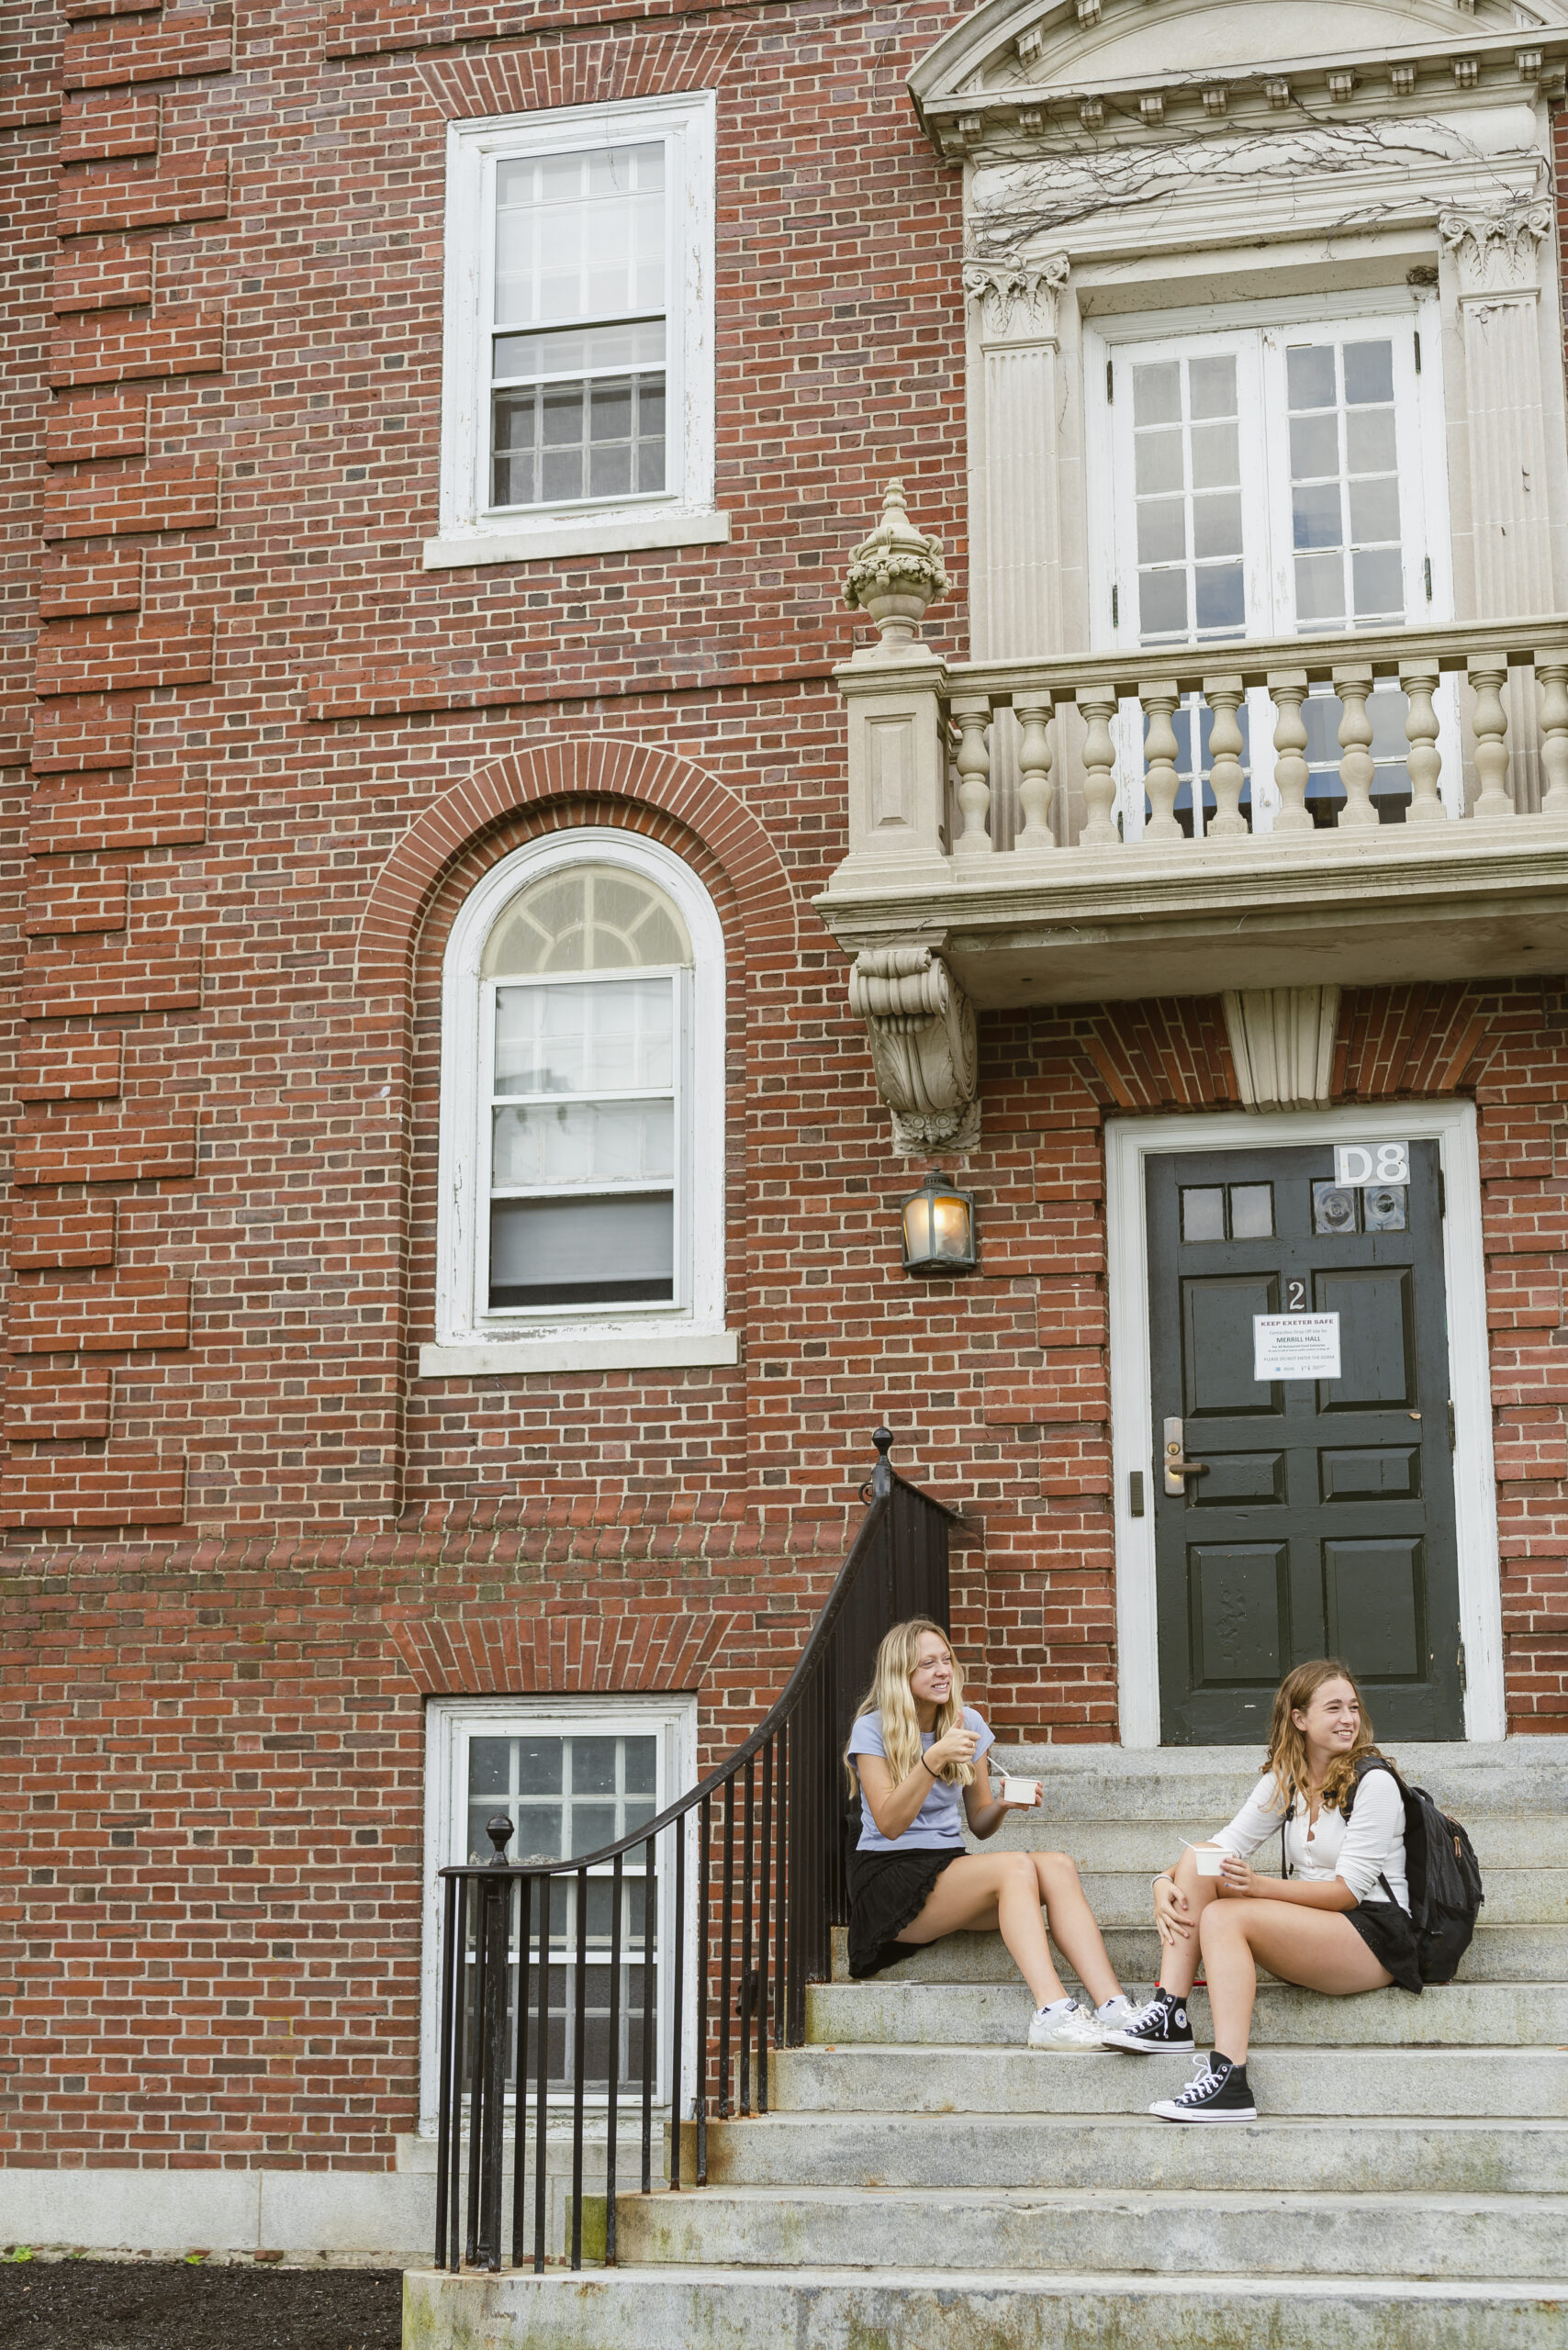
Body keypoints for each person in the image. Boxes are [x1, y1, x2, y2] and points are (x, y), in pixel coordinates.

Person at [1102, 1658, 1421, 2121]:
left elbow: (1347, 1893)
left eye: (1352, 1707)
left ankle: (1230, 2080)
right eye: (1333, 1708)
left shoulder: (1374, 1784)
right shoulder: (1287, 1779)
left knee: (1226, 1916)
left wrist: (1258, 1889)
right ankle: (1170, 2012)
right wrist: (1163, 1882)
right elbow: (1219, 1847)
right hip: (1314, 1932)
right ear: (1300, 1718)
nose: (1349, 1719)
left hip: (1374, 1937)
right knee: (1200, 1857)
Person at [843, 1617, 1138, 2048]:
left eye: (946, 1660)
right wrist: (932, 1760)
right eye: (927, 1664)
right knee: (1015, 1867)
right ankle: (1052, 2011)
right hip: (889, 1875)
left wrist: (1001, 1804)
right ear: (899, 1674)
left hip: (947, 1870)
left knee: (1057, 1865)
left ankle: (1114, 2007)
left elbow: (979, 1824)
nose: (943, 1670)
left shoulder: (968, 1722)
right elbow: (888, 1824)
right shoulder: (872, 1728)